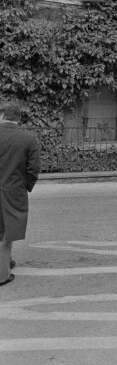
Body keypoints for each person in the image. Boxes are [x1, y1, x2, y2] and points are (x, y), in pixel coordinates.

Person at [0, 99, 40, 286]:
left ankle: (5, 261)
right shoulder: (28, 138)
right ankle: (1, 275)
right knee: (8, 232)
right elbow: (33, 169)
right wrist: (25, 185)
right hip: (13, 190)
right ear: (19, 118)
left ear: (1, 115)